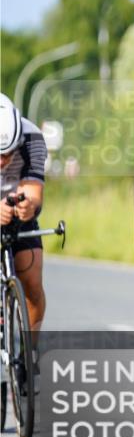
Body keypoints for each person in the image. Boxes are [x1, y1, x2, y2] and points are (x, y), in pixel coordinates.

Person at [0, 93, 49, 337]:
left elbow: (33, 191)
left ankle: (30, 352)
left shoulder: (32, 138)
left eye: (8, 154)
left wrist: (28, 205)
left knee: (31, 280)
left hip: (14, 206)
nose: (2, 162)